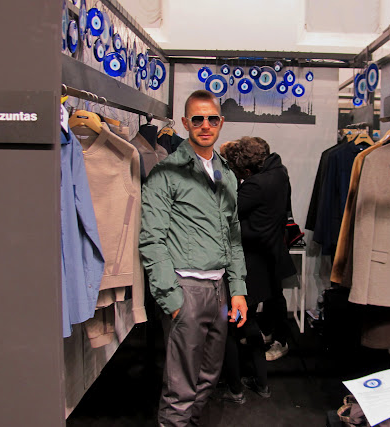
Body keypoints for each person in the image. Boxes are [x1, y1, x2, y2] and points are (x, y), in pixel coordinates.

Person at [139, 90, 248, 427]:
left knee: (208, 378)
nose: (205, 125)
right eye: (197, 119)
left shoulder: (226, 173)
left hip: (219, 291)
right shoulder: (166, 172)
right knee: (180, 389)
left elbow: (233, 234)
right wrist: (171, 299)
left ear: (221, 122)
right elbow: (151, 239)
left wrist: (238, 289)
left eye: (212, 119)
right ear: (186, 123)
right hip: (185, 289)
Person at [219, 136, 297, 403]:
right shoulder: (279, 172)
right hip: (265, 260)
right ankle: (261, 383)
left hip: (248, 262)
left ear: (246, 170)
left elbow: (226, 213)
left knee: (232, 326)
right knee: (249, 322)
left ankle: (235, 389)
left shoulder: (255, 185)